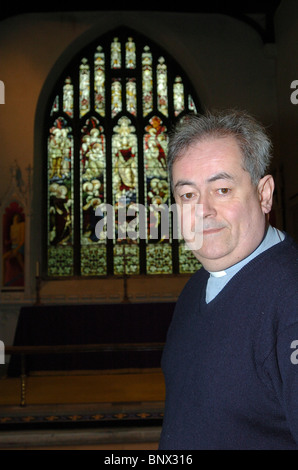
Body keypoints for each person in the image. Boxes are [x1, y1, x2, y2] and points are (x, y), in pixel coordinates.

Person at [159, 109, 298, 450]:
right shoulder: (196, 288)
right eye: (188, 194)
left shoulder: (291, 298)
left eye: (221, 189)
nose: (202, 209)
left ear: (264, 194)